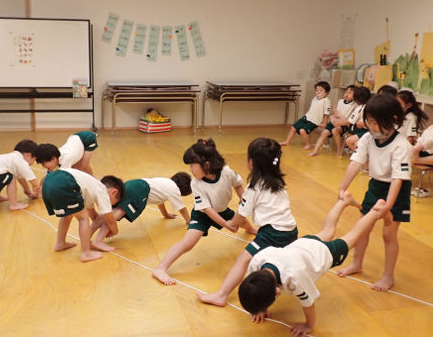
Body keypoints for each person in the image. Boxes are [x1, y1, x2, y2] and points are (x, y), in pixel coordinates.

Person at [238, 192, 383, 337]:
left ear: (277, 292)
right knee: (327, 231)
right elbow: (255, 287)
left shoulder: (294, 278)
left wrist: (308, 325)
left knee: (353, 236)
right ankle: (343, 201)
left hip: (322, 254)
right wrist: (260, 308)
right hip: (302, 245)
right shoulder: (256, 262)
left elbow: (309, 304)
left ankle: (376, 210)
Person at [198, 138, 298, 307]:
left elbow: (241, 215)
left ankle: (221, 295)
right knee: (274, 264)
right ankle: (273, 290)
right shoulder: (278, 182)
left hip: (272, 233)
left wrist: (231, 223)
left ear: (252, 162)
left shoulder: (254, 186)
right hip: (291, 231)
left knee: (243, 260)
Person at [152, 138, 257, 285]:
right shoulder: (196, 184)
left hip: (222, 209)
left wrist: (243, 198)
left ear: (206, 165)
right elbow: (208, 209)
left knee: (243, 222)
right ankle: (160, 268)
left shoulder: (227, 172)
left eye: (192, 166)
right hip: (203, 214)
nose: (191, 170)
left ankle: (251, 229)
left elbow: (238, 185)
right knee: (188, 243)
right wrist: (226, 225)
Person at [337, 93, 411, 291]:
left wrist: (388, 205)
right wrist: (343, 187)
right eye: (368, 121)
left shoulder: (401, 145)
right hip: (376, 186)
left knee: (389, 235)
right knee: (363, 227)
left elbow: (398, 179)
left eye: (374, 122)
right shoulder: (368, 138)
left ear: (393, 120)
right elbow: (356, 162)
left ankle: (388, 276)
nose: (370, 126)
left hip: (396, 190)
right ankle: (356, 263)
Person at [89, 172, 192, 252]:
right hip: (140, 190)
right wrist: (189, 220)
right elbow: (182, 208)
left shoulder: (165, 182)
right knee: (115, 215)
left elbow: (160, 202)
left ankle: (88, 234)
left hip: (134, 184)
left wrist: (165, 215)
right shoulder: (174, 190)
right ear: (183, 191)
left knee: (108, 213)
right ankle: (98, 241)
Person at [41, 169, 124, 262]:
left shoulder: (90, 187)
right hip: (65, 182)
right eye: (112, 204)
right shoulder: (102, 190)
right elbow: (110, 219)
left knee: (68, 215)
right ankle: (86, 253)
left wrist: (102, 228)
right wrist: (114, 231)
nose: (110, 206)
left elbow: (94, 217)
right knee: (83, 217)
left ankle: (60, 243)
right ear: (113, 192)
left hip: (48, 182)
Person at [280, 81, 331, 150]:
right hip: (306, 117)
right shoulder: (315, 98)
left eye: (321, 90)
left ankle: (308, 144)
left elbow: (326, 113)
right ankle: (287, 141)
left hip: (314, 121)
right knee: (293, 127)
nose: (318, 92)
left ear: (326, 92)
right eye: (317, 90)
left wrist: (324, 122)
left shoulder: (326, 101)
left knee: (302, 131)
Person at [309, 85, 356, 157]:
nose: (346, 94)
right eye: (346, 92)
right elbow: (336, 113)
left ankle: (339, 149)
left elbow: (348, 119)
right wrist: (334, 113)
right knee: (324, 132)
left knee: (335, 131)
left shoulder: (354, 104)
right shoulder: (340, 101)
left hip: (343, 125)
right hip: (334, 122)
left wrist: (336, 114)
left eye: (350, 93)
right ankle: (315, 150)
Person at [344, 86, 371, 152]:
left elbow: (349, 122)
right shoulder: (367, 105)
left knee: (350, 141)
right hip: (367, 130)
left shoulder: (362, 107)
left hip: (364, 130)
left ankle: (360, 157)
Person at [411, 124, 433, 197]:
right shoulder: (430, 128)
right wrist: (416, 149)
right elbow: (422, 139)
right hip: (424, 153)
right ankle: (416, 159)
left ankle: (416, 159)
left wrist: (417, 149)